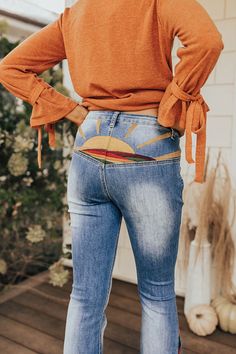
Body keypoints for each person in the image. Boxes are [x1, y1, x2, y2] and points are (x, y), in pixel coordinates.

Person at [0, 0, 224, 353]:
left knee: (85, 295)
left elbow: (10, 67)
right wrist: (176, 98)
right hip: (148, 141)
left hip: (90, 141)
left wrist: (72, 111)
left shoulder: (76, 14)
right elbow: (207, 41)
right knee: (156, 293)